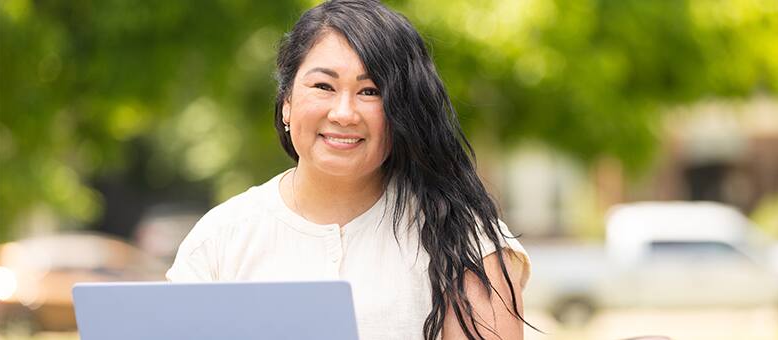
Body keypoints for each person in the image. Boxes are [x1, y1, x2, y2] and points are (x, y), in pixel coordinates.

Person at [166, 0, 532, 339]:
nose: (343, 113)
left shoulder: (465, 241)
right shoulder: (220, 239)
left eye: (370, 91)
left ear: (402, 112)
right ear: (287, 105)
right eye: (323, 86)